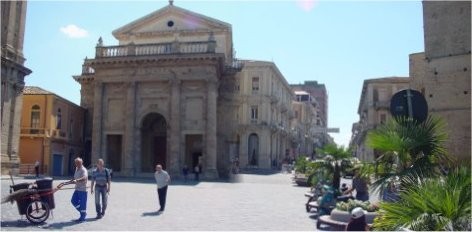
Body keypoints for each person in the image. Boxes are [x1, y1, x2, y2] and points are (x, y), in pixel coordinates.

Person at [71, 157, 88, 222]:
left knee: (83, 204)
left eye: (78, 163)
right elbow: (75, 177)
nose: (77, 164)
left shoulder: (84, 170)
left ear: (81, 163)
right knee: (73, 201)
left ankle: (82, 217)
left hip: (83, 190)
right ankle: (83, 213)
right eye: (76, 163)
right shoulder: (76, 169)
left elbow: (84, 177)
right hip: (77, 189)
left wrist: (77, 180)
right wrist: (72, 180)